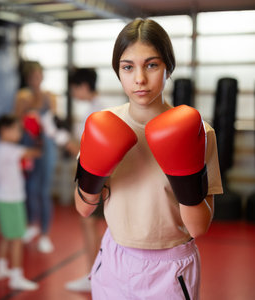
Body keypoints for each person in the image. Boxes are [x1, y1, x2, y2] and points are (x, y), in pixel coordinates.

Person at [74, 18, 223, 299]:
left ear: (168, 66)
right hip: (114, 259)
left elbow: (198, 226)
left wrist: (184, 174)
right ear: (118, 71)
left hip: (170, 269)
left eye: (151, 65)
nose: (139, 79)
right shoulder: (100, 127)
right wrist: (92, 175)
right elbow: (83, 208)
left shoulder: (200, 133)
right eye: (128, 67)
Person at [14, 61, 77, 253]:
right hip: (28, 146)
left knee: (44, 189)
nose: (36, 79)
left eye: (39, 75)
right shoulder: (21, 97)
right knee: (29, 187)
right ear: (27, 78)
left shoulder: (49, 97)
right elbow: (16, 122)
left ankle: (44, 233)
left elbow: (53, 123)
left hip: (47, 147)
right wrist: (24, 109)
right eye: (33, 76)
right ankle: (32, 224)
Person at [65, 68, 106, 292]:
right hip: (96, 175)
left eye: (74, 89)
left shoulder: (95, 111)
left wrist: (62, 140)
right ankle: (96, 275)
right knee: (93, 225)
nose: (73, 93)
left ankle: (94, 277)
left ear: (82, 86)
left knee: (89, 223)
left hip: (95, 176)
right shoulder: (100, 107)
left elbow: (85, 151)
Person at [0, 114, 41, 290]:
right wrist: (38, 133)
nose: (19, 133)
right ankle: (16, 277)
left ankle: (1, 267)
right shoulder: (8, 150)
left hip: (3, 197)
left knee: (7, 235)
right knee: (17, 238)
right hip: (11, 199)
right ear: (5, 130)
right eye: (17, 129)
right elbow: (33, 153)